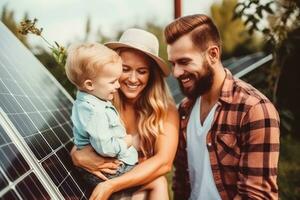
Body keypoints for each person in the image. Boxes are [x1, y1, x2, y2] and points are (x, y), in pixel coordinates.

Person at [165, 14, 280, 199]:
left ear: (213, 54)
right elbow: (181, 182)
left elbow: (256, 196)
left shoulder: (253, 110)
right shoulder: (185, 110)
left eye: (184, 62)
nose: (176, 72)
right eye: (173, 64)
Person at [70, 28, 179, 200]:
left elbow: (164, 163)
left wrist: (111, 185)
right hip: (103, 181)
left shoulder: (165, 109)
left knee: (158, 182)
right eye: (126, 69)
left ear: (151, 75)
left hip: (131, 186)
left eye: (142, 71)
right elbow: (84, 138)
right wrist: (76, 154)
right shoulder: (102, 100)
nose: (133, 79)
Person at [65, 42, 139, 196]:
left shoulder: (87, 102)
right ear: (90, 84)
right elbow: (105, 148)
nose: (118, 85)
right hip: (108, 170)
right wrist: (126, 142)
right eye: (112, 82)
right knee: (151, 179)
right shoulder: (96, 111)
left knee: (153, 181)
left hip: (101, 166)